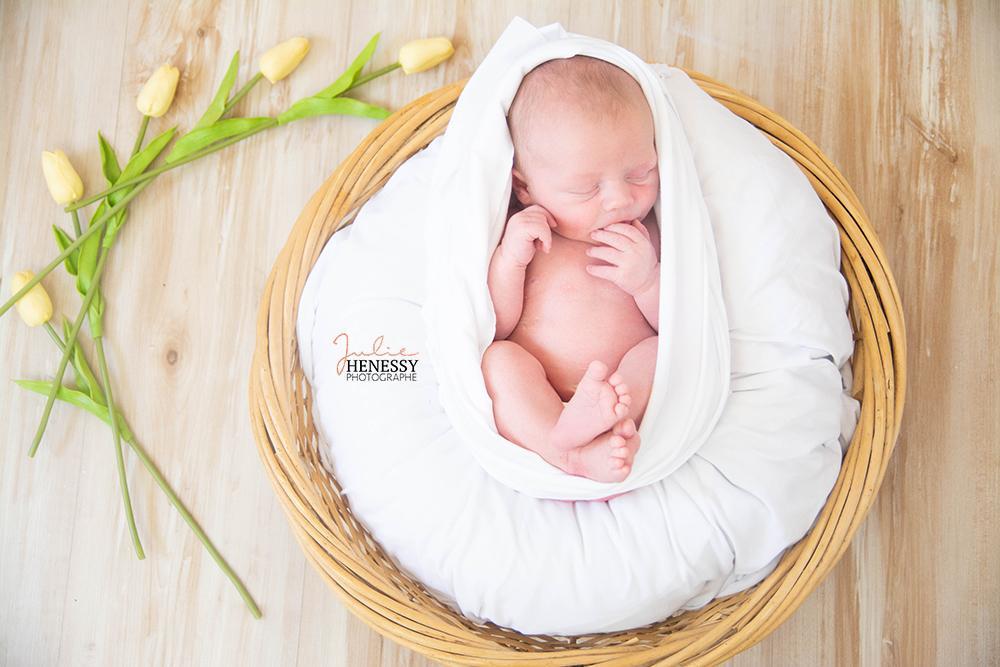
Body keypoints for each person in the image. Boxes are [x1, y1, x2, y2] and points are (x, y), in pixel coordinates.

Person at [482, 55, 660, 484]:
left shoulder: (649, 235)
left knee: (659, 352)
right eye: (586, 188)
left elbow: (681, 324)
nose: (619, 199)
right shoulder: (529, 235)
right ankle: (563, 447)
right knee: (499, 359)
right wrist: (509, 259)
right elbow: (497, 325)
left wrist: (649, 280)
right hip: (538, 382)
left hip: (620, 387)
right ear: (524, 188)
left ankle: (606, 427)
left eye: (640, 174)